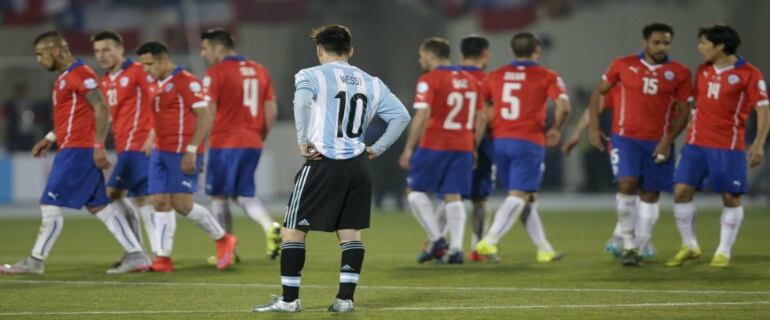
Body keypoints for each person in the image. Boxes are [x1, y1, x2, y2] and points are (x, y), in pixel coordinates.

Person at [253, 24, 410, 313]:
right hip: (358, 165)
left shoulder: (311, 75)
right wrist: (377, 147)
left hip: (324, 161)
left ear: (319, 50)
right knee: (350, 233)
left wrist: (302, 140)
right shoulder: (371, 82)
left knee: (293, 231)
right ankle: (345, 300)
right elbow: (401, 116)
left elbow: (301, 103)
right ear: (351, 50)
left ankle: (289, 300)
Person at [0, 31, 150, 274]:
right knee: (99, 206)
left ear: (56, 51)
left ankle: (36, 260)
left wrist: (98, 146)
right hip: (71, 146)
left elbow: (101, 108)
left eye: (41, 54)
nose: (38, 59)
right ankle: (137, 255)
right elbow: (71, 117)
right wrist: (49, 138)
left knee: (49, 203)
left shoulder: (81, 74)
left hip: (77, 150)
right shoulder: (63, 78)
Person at [587, 23, 692, 266]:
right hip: (625, 139)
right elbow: (599, 92)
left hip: (657, 142)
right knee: (626, 183)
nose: (661, 47)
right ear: (645, 42)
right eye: (657, 42)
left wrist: (667, 140)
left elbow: (685, 110)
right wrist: (593, 126)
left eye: (666, 43)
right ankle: (629, 244)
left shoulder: (680, 72)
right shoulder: (623, 64)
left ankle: (641, 243)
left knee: (650, 194)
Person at [666, 24, 768, 268]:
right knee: (681, 191)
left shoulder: (749, 74)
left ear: (720, 46)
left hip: (727, 146)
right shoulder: (703, 70)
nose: (699, 47)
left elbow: (763, 109)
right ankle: (689, 246)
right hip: (695, 144)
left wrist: (759, 143)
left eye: (704, 43)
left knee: (731, 197)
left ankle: (723, 251)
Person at [135, 41, 237, 272]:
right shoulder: (156, 83)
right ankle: (163, 258)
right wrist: (152, 136)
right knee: (159, 201)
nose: (146, 70)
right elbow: (161, 115)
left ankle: (223, 238)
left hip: (183, 151)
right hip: (160, 151)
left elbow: (205, 116)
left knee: (182, 204)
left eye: (149, 64)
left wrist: (192, 150)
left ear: (163, 60)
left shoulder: (187, 81)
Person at [474, 32, 570, 263]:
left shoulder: (494, 76)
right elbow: (564, 107)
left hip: (500, 141)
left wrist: (475, 145)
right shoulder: (547, 76)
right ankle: (490, 240)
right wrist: (556, 128)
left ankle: (544, 248)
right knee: (520, 194)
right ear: (536, 50)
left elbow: (483, 114)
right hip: (528, 141)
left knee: (525, 196)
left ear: (512, 50)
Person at [399, 37, 486, 264]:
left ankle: (437, 240)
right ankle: (456, 249)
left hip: (435, 144)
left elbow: (422, 114)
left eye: (421, 56)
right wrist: (473, 145)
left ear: (430, 55)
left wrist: (409, 147)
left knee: (414, 191)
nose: (420, 60)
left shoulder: (429, 79)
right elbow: (480, 117)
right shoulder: (471, 80)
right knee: (453, 195)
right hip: (464, 145)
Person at [200, 28, 281, 262]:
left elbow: (208, 112)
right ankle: (270, 226)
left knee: (219, 195)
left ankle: (227, 250)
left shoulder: (214, 73)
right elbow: (271, 110)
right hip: (253, 140)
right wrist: (259, 135)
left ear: (219, 48)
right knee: (242, 194)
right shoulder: (260, 70)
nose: (203, 54)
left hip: (224, 142)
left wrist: (197, 143)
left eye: (206, 49)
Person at [563, 89, 658, 259]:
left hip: (652, 143)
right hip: (624, 145)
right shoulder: (619, 86)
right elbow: (593, 109)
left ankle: (623, 238)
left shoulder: (661, 82)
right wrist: (578, 133)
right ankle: (634, 241)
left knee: (645, 193)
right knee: (631, 190)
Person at [91, 30, 159, 260]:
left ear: (121, 50)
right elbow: (108, 116)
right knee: (140, 198)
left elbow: (157, 99)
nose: (102, 55)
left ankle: (140, 251)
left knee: (111, 194)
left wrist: (153, 134)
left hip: (139, 145)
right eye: (98, 51)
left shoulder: (138, 71)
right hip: (124, 147)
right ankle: (146, 251)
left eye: (107, 49)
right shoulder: (105, 80)